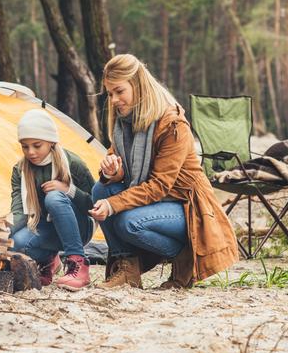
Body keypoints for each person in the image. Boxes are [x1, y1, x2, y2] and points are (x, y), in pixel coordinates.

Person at [89, 54, 239, 289]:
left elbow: (159, 186)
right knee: (101, 189)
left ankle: (185, 254)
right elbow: (117, 165)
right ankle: (127, 269)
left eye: (119, 91)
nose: (114, 99)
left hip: (187, 207)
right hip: (153, 202)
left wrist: (113, 204)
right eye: (110, 94)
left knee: (128, 222)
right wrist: (113, 172)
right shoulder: (124, 122)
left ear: (137, 85)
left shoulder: (172, 124)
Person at [9, 109, 96, 289]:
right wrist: (3, 230)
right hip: (45, 227)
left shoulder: (73, 163)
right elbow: (20, 211)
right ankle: (48, 262)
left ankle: (78, 262)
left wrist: (69, 190)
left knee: (54, 198)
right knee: (17, 244)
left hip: (79, 227)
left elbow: (94, 205)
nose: (31, 152)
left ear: (51, 142)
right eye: (25, 146)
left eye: (37, 145)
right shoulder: (20, 170)